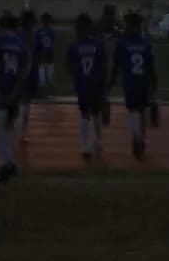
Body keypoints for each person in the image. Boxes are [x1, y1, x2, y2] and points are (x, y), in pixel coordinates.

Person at [0, 12, 30, 182]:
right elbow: (25, 69)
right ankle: (9, 162)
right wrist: (17, 89)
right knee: (9, 127)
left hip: (1, 87)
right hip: (15, 88)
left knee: (0, 128)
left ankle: (7, 164)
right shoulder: (22, 44)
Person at [111, 11, 157, 159]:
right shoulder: (146, 43)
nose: (124, 27)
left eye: (126, 24)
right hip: (143, 81)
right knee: (142, 111)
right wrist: (154, 85)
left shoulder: (122, 42)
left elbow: (116, 64)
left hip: (129, 81)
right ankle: (141, 139)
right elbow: (151, 68)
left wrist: (112, 80)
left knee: (132, 111)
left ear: (131, 25)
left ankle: (136, 138)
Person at [67, 13, 108, 158]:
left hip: (83, 84)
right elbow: (103, 66)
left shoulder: (74, 45)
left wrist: (76, 76)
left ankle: (85, 146)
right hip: (96, 83)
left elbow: (71, 68)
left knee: (85, 114)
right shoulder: (98, 44)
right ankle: (97, 140)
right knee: (95, 113)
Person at [19, 9, 39, 143]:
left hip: (25, 72)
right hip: (23, 72)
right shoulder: (30, 37)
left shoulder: (31, 37)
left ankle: (21, 133)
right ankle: (21, 133)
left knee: (25, 103)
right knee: (24, 103)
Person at [37, 13, 56, 90]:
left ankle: (45, 83)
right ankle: (45, 83)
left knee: (45, 67)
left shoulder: (40, 31)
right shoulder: (51, 31)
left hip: (45, 50)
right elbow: (53, 41)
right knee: (44, 67)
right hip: (46, 50)